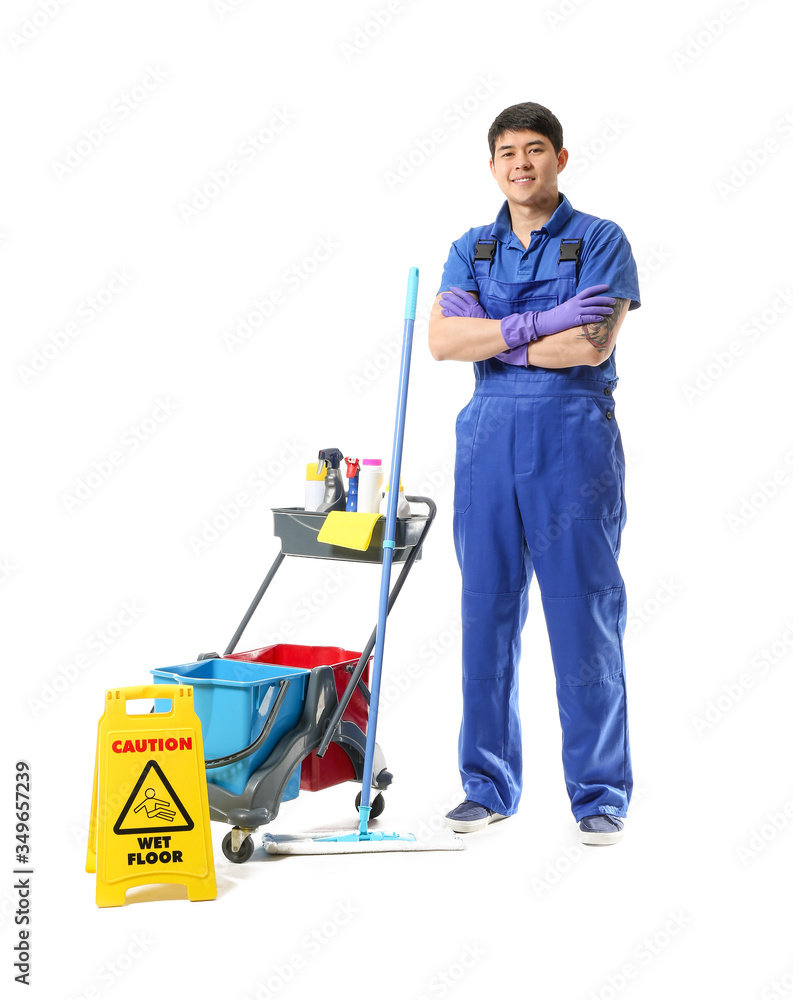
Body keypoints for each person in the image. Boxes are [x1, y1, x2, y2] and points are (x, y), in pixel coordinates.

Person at [428, 102, 640, 846]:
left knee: (583, 615)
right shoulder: (472, 247)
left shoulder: (601, 240)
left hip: (572, 440)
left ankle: (599, 794)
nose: (521, 163)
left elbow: (588, 347)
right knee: (485, 613)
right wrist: (541, 323)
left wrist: (494, 337)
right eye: (507, 152)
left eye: (536, 149)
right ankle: (485, 787)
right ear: (492, 165)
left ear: (560, 158)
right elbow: (443, 342)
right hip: (486, 441)